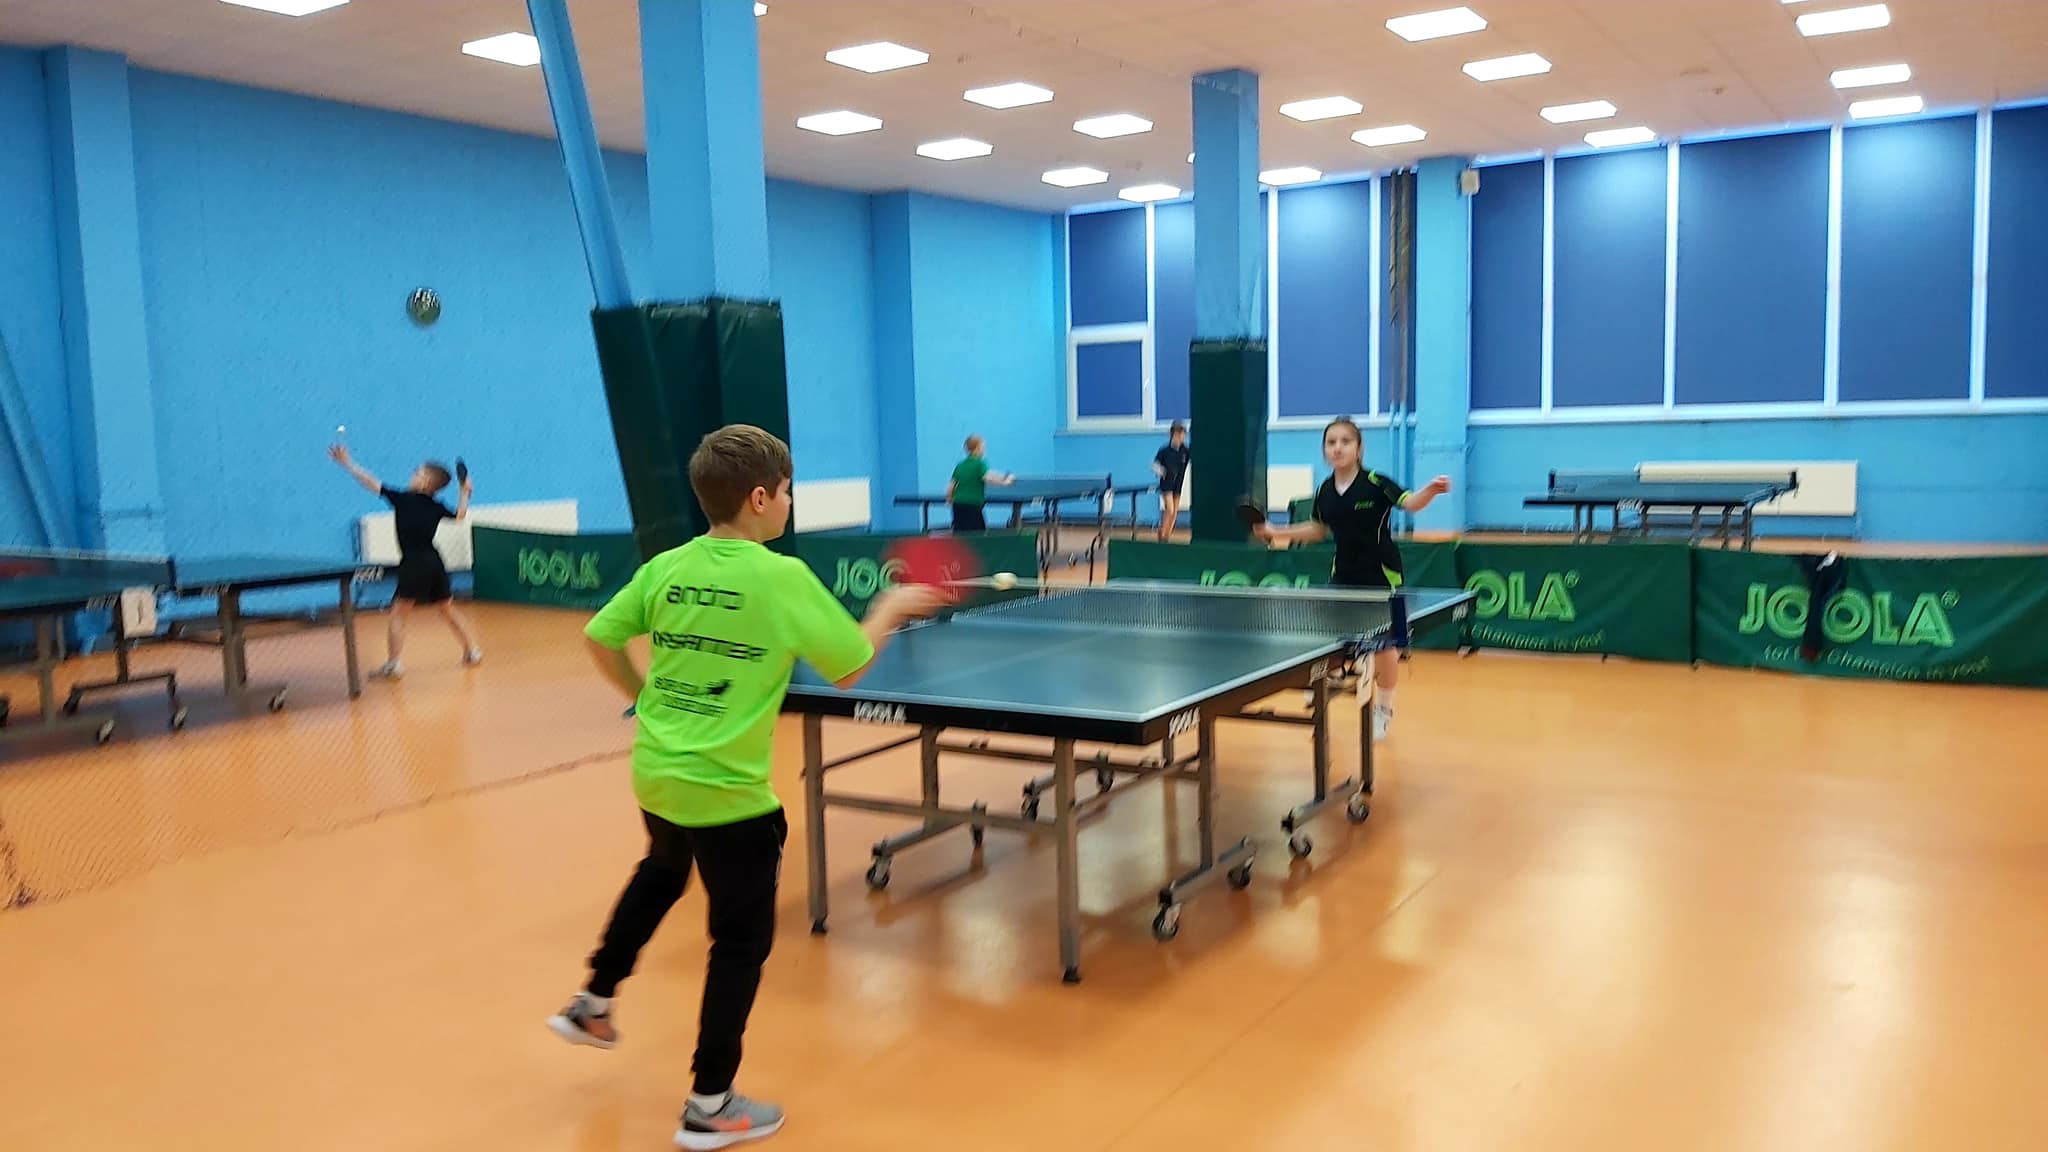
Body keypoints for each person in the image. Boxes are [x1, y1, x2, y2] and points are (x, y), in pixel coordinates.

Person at [547, 424, 943, 1150]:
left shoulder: (668, 567)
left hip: (658, 772)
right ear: (760, 499)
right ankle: (710, 1103)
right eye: (787, 490)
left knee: (663, 870)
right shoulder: (780, 576)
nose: (790, 501)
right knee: (739, 942)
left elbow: (598, 636)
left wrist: (642, 694)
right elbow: (850, 667)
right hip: (730, 797)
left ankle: (593, 1000)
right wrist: (891, 609)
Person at [1253, 417, 1449, 741]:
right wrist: (1278, 531)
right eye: (1331, 442)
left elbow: (1411, 503)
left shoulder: (1376, 482)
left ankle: (1383, 708)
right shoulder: (1325, 491)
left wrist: (1432, 490)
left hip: (1382, 575)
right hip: (1343, 574)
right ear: (1324, 451)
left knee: (1385, 648)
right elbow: (1318, 529)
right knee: (1331, 638)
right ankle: (1334, 676)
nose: (1338, 447)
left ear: (1359, 448)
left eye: (1345, 441)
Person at [328, 444, 482, 676]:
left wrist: (348, 463)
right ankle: (472, 651)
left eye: (417, 472)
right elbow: (460, 516)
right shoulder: (435, 506)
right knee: (447, 608)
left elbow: (371, 483)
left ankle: (393, 665)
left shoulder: (403, 499)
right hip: (435, 563)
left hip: (414, 564)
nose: (413, 474)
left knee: (399, 614)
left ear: (426, 482)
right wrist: (465, 492)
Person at [945, 435, 1013, 533]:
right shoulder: (980, 463)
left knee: (960, 535)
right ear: (977, 448)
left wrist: (950, 499)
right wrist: (1005, 482)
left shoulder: (960, 465)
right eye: (983, 447)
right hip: (972, 506)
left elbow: (951, 486)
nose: (984, 450)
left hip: (958, 505)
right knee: (978, 535)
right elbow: (988, 478)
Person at [1151, 421, 1191, 541]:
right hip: (1167, 484)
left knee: (1174, 513)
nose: (1182, 437)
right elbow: (1154, 465)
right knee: (1170, 509)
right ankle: (1162, 534)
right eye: (1180, 435)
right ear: (1174, 435)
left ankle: (1166, 536)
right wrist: (1162, 471)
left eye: (1183, 435)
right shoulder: (1165, 451)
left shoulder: (1185, 451)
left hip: (1178, 484)